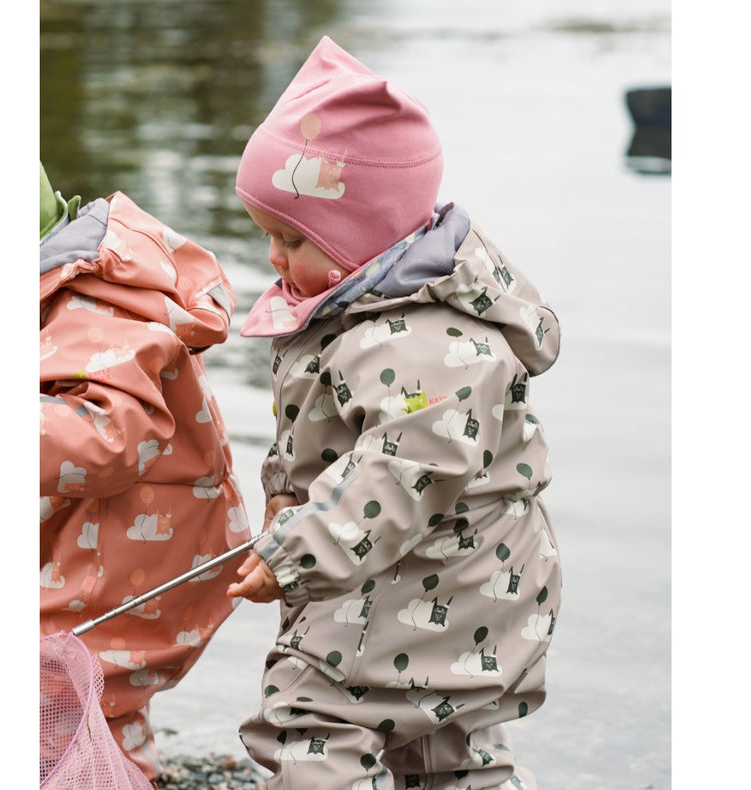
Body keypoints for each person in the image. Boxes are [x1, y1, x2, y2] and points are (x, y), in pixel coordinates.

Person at [227, 36, 562, 790]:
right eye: (267, 236)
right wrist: (287, 496)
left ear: (363, 234)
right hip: (461, 583)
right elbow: (321, 432)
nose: (274, 260)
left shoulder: (423, 346)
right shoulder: (360, 309)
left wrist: (293, 552)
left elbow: (401, 471)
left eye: (291, 239)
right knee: (447, 745)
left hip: (437, 586)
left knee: (314, 718)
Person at [39, 163, 251, 783]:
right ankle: (124, 769)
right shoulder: (71, 291)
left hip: (134, 559)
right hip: (119, 541)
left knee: (53, 673)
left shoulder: (94, 307)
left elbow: (109, 437)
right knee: (95, 692)